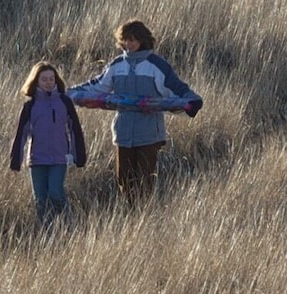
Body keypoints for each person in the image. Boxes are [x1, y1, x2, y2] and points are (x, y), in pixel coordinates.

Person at [71, 19, 202, 204]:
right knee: (123, 179)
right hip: (123, 132)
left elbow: (176, 88)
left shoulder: (157, 65)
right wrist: (67, 93)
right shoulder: (116, 65)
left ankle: (144, 213)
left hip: (149, 133)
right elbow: (98, 87)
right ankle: (130, 212)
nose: (129, 44)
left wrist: (192, 101)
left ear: (143, 40)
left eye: (133, 39)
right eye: (126, 39)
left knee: (145, 180)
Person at [9, 61, 90, 230]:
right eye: (44, 79)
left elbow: (75, 129)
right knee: (40, 199)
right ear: (36, 81)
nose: (48, 82)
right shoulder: (30, 106)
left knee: (55, 192)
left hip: (59, 158)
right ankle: (48, 231)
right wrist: (16, 160)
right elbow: (21, 134)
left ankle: (69, 225)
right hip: (37, 159)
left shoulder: (64, 102)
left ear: (56, 80)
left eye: (51, 79)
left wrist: (78, 156)